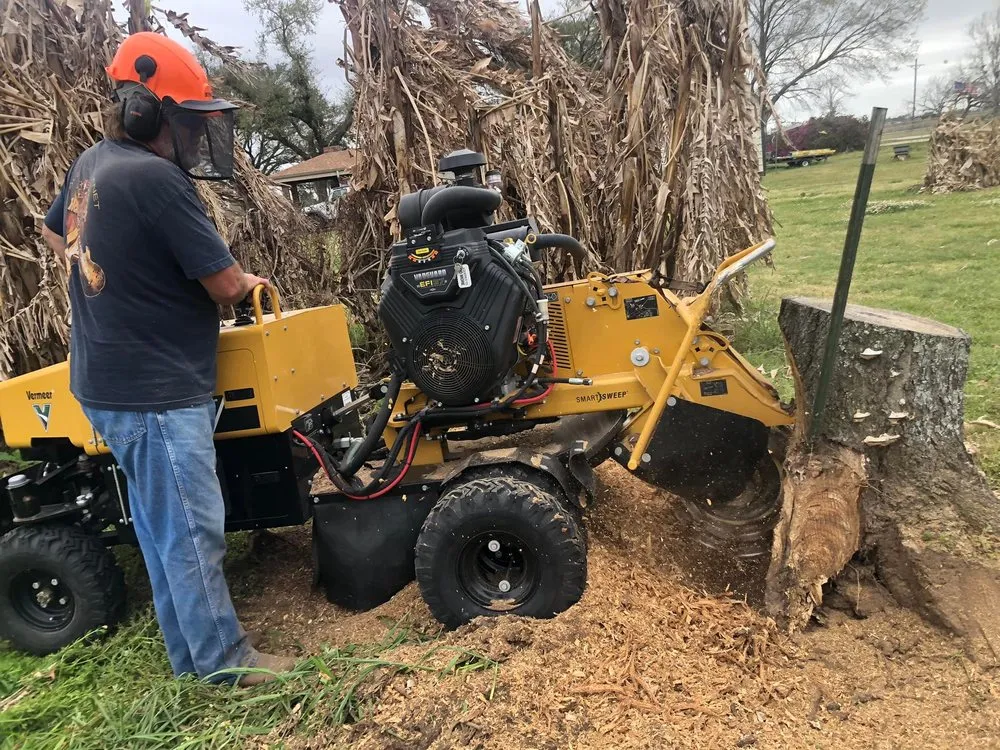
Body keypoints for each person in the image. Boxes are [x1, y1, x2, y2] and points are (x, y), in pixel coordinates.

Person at [40, 32, 296, 686]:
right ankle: (225, 668)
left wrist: (118, 272)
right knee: (190, 533)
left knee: (161, 531)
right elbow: (224, 283)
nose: (189, 134)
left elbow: (55, 231)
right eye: (182, 118)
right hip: (155, 391)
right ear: (144, 111)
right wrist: (252, 286)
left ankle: (193, 663)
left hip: (106, 382)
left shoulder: (92, 164)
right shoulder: (156, 179)